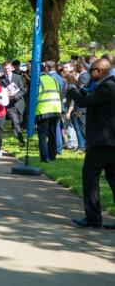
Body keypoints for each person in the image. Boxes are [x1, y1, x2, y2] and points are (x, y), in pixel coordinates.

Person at [66, 58, 115, 229]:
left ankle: (93, 218)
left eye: (92, 69)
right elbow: (89, 96)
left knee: (90, 175)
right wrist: (77, 87)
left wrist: (72, 87)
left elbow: (84, 102)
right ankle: (94, 218)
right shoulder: (107, 85)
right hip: (109, 141)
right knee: (113, 178)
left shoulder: (108, 86)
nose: (89, 72)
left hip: (103, 141)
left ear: (100, 71)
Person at [36, 63, 63, 162]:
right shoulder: (53, 79)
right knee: (52, 134)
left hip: (43, 110)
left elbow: (35, 97)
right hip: (55, 109)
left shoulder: (37, 80)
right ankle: (52, 155)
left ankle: (44, 157)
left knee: (42, 134)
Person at [0, 61, 26, 147]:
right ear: (3, 69)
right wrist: (6, 95)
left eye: (8, 68)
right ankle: (21, 141)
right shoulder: (1, 79)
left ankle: (19, 135)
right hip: (10, 105)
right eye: (5, 68)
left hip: (19, 104)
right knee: (15, 122)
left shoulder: (18, 77)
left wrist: (15, 96)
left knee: (20, 123)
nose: (7, 70)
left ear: (11, 68)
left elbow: (22, 90)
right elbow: (1, 92)